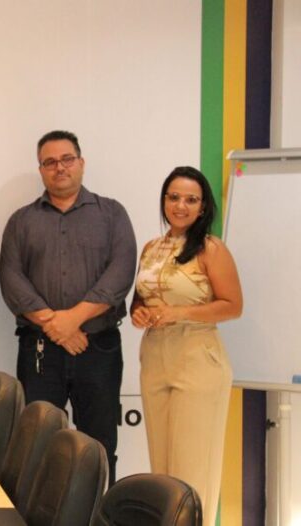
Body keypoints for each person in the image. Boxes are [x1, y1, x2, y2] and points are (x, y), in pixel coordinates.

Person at [0, 130, 136, 484]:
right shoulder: (21, 221)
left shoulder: (112, 214)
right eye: (49, 162)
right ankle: (41, 511)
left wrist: (73, 320)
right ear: (41, 170)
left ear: (81, 163)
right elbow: (12, 279)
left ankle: (96, 512)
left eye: (66, 159)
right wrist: (56, 327)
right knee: (38, 443)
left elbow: (121, 272)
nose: (59, 168)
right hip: (40, 348)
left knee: (99, 443)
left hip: (98, 348)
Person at [131, 166, 242, 526]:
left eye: (191, 200)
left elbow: (233, 305)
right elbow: (140, 298)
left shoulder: (211, 248)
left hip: (197, 357)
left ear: (203, 206)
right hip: (155, 356)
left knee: (193, 470)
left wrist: (179, 313)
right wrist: (138, 312)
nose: (180, 206)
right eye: (174, 197)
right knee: (162, 470)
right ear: (164, 200)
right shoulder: (151, 248)